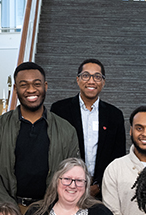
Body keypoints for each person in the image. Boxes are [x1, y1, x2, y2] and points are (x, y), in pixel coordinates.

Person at [0, 61, 79, 211]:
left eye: (36, 84)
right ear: (15, 89)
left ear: (45, 86)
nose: (31, 89)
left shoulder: (66, 130)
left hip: (52, 211)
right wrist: (10, 211)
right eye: (24, 84)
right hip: (11, 210)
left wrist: (54, 209)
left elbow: (73, 176)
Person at [51, 58, 126, 198]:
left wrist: (99, 185)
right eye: (86, 75)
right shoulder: (59, 110)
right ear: (78, 79)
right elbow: (54, 151)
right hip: (67, 188)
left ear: (103, 82)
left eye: (97, 76)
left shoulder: (114, 115)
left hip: (102, 191)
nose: (91, 81)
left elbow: (118, 156)